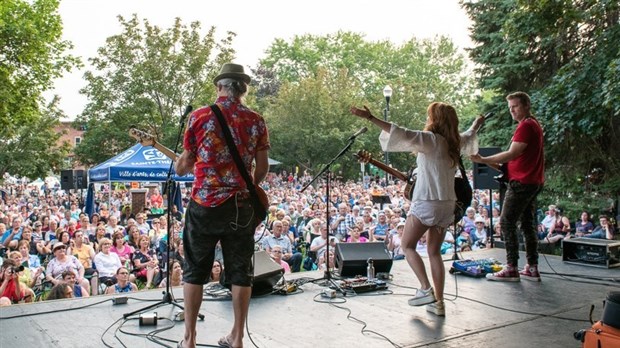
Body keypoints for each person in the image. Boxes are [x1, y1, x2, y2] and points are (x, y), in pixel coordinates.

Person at [351, 101, 484, 317]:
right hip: (447, 205)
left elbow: (400, 133)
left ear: (436, 119)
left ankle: (425, 288)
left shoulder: (430, 140)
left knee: (407, 245)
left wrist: (371, 118)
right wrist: (477, 123)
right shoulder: (454, 142)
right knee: (434, 253)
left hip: (427, 201)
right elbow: (469, 134)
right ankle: (439, 304)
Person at [174, 63, 270, 348]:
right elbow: (262, 168)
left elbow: (185, 164)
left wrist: (181, 164)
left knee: (194, 270)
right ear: (243, 88)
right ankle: (237, 337)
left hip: (204, 203)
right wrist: (248, 184)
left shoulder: (200, 116)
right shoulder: (255, 120)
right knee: (241, 271)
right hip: (240, 205)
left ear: (220, 87)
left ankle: (189, 339)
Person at [470, 91, 545, 282]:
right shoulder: (530, 125)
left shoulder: (527, 126)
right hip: (529, 181)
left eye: (515, 106)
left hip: (522, 183)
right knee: (527, 224)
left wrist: (483, 159)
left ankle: (512, 267)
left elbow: (511, 154)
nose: (512, 110)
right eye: (510, 107)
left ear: (526, 105)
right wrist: (483, 160)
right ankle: (532, 266)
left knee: (506, 222)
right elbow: (510, 163)